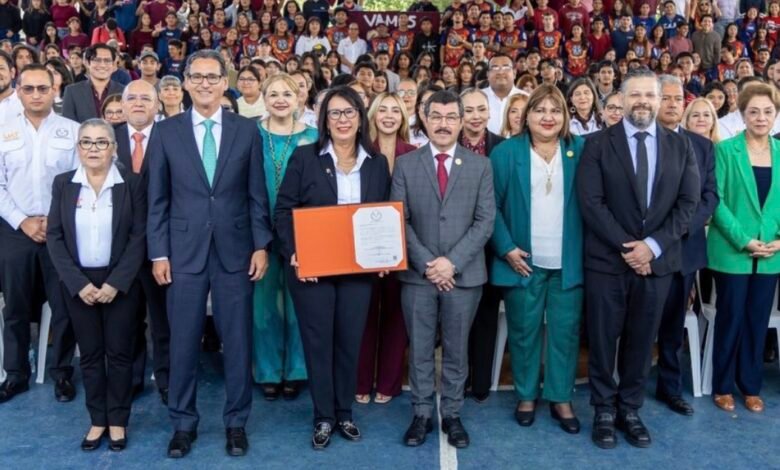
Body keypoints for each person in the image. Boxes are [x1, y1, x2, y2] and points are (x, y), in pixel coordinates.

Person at [146, 50, 273, 459]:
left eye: (212, 77)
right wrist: (158, 253)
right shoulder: (165, 132)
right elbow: (157, 200)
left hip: (236, 250)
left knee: (237, 342)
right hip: (182, 253)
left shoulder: (247, 131)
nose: (204, 83)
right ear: (185, 83)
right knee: (182, 342)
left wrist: (260, 245)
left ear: (224, 83)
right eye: (196, 77)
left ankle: (236, 423)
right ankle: (183, 424)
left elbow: (257, 194)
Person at [576, 69, 700, 449]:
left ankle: (630, 408)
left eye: (650, 95)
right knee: (603, 340)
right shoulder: (597, 144)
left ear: (660, 100)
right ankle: (603, 409)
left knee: (642, 341)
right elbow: (591, 203)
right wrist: (631, 248)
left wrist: (653, 247)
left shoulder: (681, 146)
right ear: (622, 99)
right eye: (635, 95)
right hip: (607, 262)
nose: (643, 101)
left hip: (657, 264)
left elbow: (688, 204)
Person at [274, 86, 391, 449]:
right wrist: (294, 252)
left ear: (360, 119)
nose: (342, 120)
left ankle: (344, 413)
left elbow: (383, 213)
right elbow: (283, 210)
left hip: (357, 271)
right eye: (335, 113)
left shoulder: (376, 163)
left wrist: (386, 255)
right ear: (324, 120)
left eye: (349, 112)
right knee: (318, 343)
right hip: (313, 268)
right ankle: (323, 416)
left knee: (349, 342)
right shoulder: (305, 157)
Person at [391, 90, 496, 449]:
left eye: (451, 117)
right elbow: (399, 219)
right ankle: (421, 413)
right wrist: (428, 264)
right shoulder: (406, 164)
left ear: (462, 121)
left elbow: (485, 221)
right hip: (418, 276)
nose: (443, 123)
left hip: (463, 275)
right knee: (420, 348)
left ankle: (451, 413)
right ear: (424, 118)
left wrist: (452, 263)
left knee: (456, 349)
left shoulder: (481, 166)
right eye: (436, 116)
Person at [489, 84, 585, 434]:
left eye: (555, 110)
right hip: (521, 261)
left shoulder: (580, 150)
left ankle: (560, 397)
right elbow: (490, 206)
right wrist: (506, 248)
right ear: (526, 115)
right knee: (524, 331)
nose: (548, 117)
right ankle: (526, 395)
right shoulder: (505, 153)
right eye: (540, 110)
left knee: (565, 333)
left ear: (565, 117)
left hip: (568, 263)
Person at [46, 118, 146, 452]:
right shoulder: (64, 184)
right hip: (79, 284)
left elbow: (138, 236)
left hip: (120, 283)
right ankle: (97, 419)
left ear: (113, 148)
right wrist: (78, 284)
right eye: (86, 142)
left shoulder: (131, 184)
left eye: (101, 142)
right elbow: (55, 236)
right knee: (89, 355)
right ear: (78, 148)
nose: (93, 148)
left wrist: (116, 282)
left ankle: (117, 420)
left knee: (119, 354)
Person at [0, 64, 79, 404]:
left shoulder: (73, 131)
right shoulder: (2, 131)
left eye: (42, 88)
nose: (36, 95)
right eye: (29, 88)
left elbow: (80, 182)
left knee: (64, 306)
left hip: (59, 231)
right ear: (18, 91)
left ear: (54, 91)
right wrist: (23, 220)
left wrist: (54, 220)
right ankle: (15, 374)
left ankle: (62, 373)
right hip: (15, 230)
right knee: (15, 306)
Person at [708, 83, 780, 413]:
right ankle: (722, 385)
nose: (761, 117)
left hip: (771, 253)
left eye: (767, 111)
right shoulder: (725, 150)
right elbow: (717, 201)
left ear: (775, 115)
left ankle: (750, 387)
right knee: (731, 317)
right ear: (742, 114)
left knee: (757, 320)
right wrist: (744, 240)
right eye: (754, 111)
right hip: (732, 251)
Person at [654, 75, 719, 416]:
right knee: (638, 322)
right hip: (645, 250)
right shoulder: (639, 141)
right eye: (665, 98)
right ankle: (627, 386)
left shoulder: (701, 146)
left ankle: (669, 387)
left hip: (683, 248)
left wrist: (678, 230)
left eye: (677, 99)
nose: (672, 104)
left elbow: (710, 197)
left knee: (673, 325)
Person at [253, 73, 317, 401]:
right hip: (259, 229)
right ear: (264, 98)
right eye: (273, 94)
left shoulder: (314, 137)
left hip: (301, 231)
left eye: (287, 94)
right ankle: (267, 371)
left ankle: (296, 370)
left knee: (299, 303)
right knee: (263, 304)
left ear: (298, 98)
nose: (280, 100)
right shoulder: (251, 134)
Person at [355, 92, 416, 405]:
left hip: (404, 249)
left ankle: (389, 384)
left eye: (396, 110)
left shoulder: (414, 153)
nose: (389, 116)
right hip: (365, 248)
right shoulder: (360, 152)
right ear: (374, 115)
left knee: (396, 316)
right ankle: (360, 381)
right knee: (363, 315)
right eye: (383, 110)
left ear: (403, 117)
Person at [114, 80, 170, 405]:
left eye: (145, 98)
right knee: (127, 319)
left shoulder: (172, 137)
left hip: (160, 246)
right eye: (131, 97)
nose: (138, 103)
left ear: (157, 105)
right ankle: (132, 379)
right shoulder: (107, 137)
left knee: (163, 320)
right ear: (122, 104)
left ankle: (167, 380)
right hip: (119, 249)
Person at [456, 88, 505, 402]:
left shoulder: (503, 147)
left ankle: (481, 383)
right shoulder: (448, 144)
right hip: (456, 245)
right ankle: (457, 379)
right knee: (458, 317)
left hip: (491, 246)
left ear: (489, 113)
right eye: (469, 110)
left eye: (480, 110)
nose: (475, 116)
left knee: (486, 314)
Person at [62, 43, 124, 123]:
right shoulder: (72, 92)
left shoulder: (124, 92)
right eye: (97, 60)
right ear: (87, 63)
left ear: (113, 64)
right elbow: (67, 125)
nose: (102, 65)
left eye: (107, 60)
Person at [484, 53, 525, 134]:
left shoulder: (527, 98)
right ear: (488, 74)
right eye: (495, 68)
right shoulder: (477, 97)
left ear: (514, 73)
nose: (500, 72)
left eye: (506, 67)